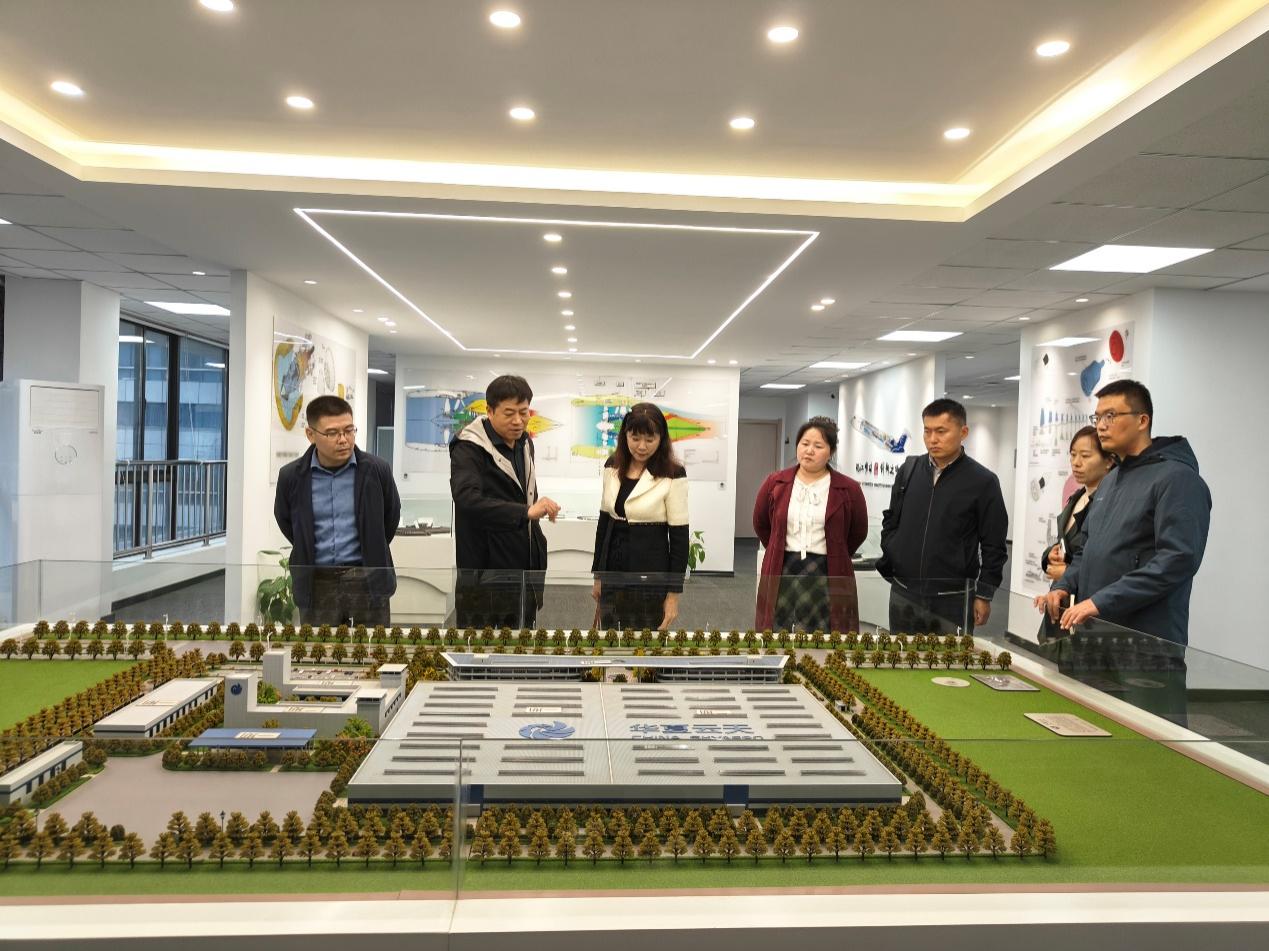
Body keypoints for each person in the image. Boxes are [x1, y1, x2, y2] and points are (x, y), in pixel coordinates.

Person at [1040, 380, 1211, 645]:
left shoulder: (1177, 479)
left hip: (1143, 644)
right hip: (1095, 634)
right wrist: (1064, 585)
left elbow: (1177, 560)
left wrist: (1100, 601)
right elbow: (1087, 549)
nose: (1101, 425)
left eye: (1111, 416)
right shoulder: (1110, 480)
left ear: (1142, 421)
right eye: (1097, 417)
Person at [877, 398, 1008, 635]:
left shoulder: (983, 481)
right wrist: (894, 552)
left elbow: (994, 545)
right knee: (901, 656)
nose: (932, 439)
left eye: (941, 431)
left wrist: (984, 594)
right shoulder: (909, 470)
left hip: (953, 598)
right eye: (927, 431)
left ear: (963, 432)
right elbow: (891, 520)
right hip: (904, 591)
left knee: (951, 657)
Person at [274, 394, 401, 627]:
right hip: (317, 583)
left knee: (372, 647)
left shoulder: (376, 470)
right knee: (318, 647)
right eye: (332, 433)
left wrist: (372, 545)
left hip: (367, 579)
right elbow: (287, 522)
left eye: (349, 430)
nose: (343, 440)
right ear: (310, 434)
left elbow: (389, 519)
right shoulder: (291, 476)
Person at [450, 374, 559, 629]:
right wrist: (525, 512)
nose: (518, 421)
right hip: (485, 573)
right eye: (509, 413)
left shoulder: (525, 443)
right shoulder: (469, 447)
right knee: (482, 646)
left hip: (524, 569)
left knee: (523, 642)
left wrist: (535, 509)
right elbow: (467, 499)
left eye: (524, 412)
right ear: (489, 411)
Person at [753, 417, 868, 635]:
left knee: (824, 632)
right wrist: (777, 547)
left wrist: (837, 551)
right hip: (782, 565)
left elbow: (858, 531)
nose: (809, 451)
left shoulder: (848, 488)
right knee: (777, 629)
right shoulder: (775, 482)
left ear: (831, 452)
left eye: (818, 446)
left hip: (827, 569)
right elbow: (761, 523)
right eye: (804, 443)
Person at [590, 403, 689, 632]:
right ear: (625, 435)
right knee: (610, 636)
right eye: (635, 438)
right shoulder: (612, 465)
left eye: (649, 439)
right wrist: (598, 576)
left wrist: (673, 594)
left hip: (650, 575)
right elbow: (604, 524)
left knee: (645, 639)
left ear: (661, 439)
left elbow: (679, 538)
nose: (642, 446)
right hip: (613, 569)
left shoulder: (673, 474)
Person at [1032, 426, 1116, 642]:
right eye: (1073, 455)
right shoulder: (1077, 496)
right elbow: (1065, 542)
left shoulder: (1110, 505)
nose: (1076, 463)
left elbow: (1104, 561)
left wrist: (1068, 573)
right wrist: (1049, 556)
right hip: (1060, 603)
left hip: (1085, 610)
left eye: (1085, 456)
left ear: (1109, 461)